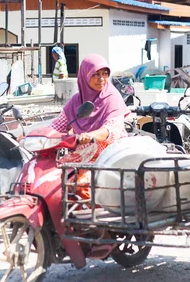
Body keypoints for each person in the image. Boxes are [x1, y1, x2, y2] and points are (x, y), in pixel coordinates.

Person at [49, 54, 130, 198]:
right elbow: (57, 125)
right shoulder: (76, 101)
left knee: (80, 187)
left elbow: (112, 128)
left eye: (104, 74)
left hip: (110, 156)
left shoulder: (112, 97)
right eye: (95, 74)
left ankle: (91, 218)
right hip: (84, 155)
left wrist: (91, 135)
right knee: (51, 177)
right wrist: (33, 136)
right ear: (85, 76)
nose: (101, 79)